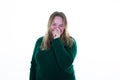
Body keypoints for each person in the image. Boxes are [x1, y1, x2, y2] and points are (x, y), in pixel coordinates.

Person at [29, 11, 77, 80]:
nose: (57, 28)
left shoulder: (71, 42)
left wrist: (57, 40)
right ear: (49, 25)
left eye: (61, 25)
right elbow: (33, 65)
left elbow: (65, 64)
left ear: (65, 27)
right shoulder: (40, 41)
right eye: (54, 24)